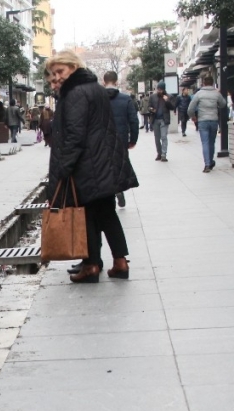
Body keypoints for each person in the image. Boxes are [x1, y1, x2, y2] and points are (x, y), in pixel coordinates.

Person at [45, 51, 138, 284]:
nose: (57, 77)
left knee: (86, 216)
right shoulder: (94, 87)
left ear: (74, 67)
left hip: (88, 165)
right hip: (103, 162)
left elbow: (75, 135)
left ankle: (91, 265)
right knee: (107, 214)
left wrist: (63, 170)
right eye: (53, 73)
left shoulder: (76, 93)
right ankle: (120, 261)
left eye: (61, 71)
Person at [103, 70, 138, 209]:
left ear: (103, 81)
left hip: (103, 139)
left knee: (105, 167)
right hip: (121, 138)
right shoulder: (126, 99)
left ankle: (110, 193)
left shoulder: (99, 99)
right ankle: (119, 189)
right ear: (116, 81)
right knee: (119, 165)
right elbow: (134, 121)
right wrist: (133, 139)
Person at [187, 75, 227, 174]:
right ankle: (211, 160)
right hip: (213, 120)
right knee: (212, 142)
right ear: (213, 83)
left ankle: (207, 164)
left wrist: (193, 117)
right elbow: (223, 104)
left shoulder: (199, 94)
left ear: (203, 83)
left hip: (202, 121)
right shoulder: (216, 94)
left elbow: (190, 108)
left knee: (205, 142)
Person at [149, 81, 175, 162]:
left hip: (164, 119)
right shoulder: (153, 97)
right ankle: (159, 153)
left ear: (164, 89)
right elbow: (149, 106)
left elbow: (172, 107)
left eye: (160, 89)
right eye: (158, 89)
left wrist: (167, 101)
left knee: (164, 137)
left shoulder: (169, 96)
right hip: (155, 119)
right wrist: (151, 109)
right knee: (157, 138)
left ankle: (164, 154)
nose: (158, 91)